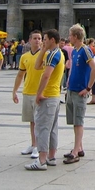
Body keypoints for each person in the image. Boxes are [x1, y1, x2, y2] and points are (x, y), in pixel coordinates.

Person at [25, 29, 65, 170]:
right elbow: (37, 66)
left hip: (48, 96)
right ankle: (51, 157)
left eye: (45, 39)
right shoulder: (56, 53)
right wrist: (43, 49)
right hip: (54, 95)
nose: (43, 41)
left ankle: (41, 160)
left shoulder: (53, 55)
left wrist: (39, 93)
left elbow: (46, 75)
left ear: (52, 40)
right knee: (52, 127)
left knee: (42, 127)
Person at [64, 24, 95, 164]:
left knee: (79, 122)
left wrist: (88, 88)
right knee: (74, 121)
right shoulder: (74, 51)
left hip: (80, 91)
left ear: (76, 36)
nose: (68, 37)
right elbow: (72, 67)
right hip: (71, 89)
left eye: (70, 35)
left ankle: (75, 152)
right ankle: (79, 148)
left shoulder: (85, 50)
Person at [12, 30, 43, 160]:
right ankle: (33, 144)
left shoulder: (45, 55)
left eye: (39, 38)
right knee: (31, 121)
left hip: (40, 92)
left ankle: (39, 146)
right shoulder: (25, 57)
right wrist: (15, 91)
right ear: (30, 40)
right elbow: (20, 74)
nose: (37, 40)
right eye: (35, 38)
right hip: (28, 91)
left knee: (39, 121)